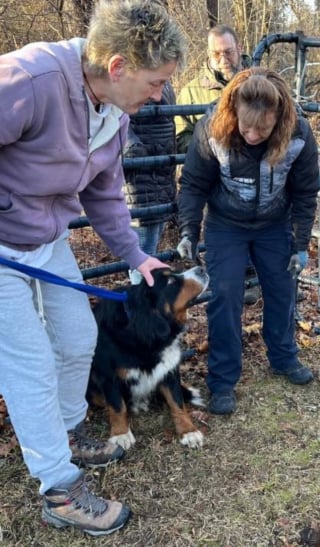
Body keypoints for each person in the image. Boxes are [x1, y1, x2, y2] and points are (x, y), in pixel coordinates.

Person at [0, 0, 186, 537]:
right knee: (29, 361)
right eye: (155, 83)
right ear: (119, 67)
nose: (160, 95)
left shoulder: (113, 115)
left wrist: (135, 253)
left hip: (47, 237)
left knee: (79, 337)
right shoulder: (31, 79)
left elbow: (103, 194)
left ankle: (67, 430)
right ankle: (59, 488)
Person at [177, 67, 319, 416]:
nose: (253, 135)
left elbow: (305, 192)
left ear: (278, 120)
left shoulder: (299, 133)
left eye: (263, 129)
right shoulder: (212, 129)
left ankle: (284, 356)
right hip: (227, 224)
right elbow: (194, 184)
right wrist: (188, 231)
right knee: (225, 295)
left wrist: (301, 244)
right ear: (235, 113)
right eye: (246, 127)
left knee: (282, 288)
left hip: (275, 223)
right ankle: (222, 380)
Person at [123, 81, 177, 284]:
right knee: (141, 253)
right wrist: (133, 151)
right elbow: (116, 118)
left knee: (149, 247)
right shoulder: (133, 79)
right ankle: (141, 303)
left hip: (160, 176)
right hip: (140, 182)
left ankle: (145, 297)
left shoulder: (162, 81)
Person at [175, 24, 251, 154]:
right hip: (211, 169)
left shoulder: (262, 83)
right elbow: (181, 137)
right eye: (216, 54)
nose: (223, 60)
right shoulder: (190, 92)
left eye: (228, 52)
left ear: (239, 48)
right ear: (209, 54)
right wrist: (211, 152)